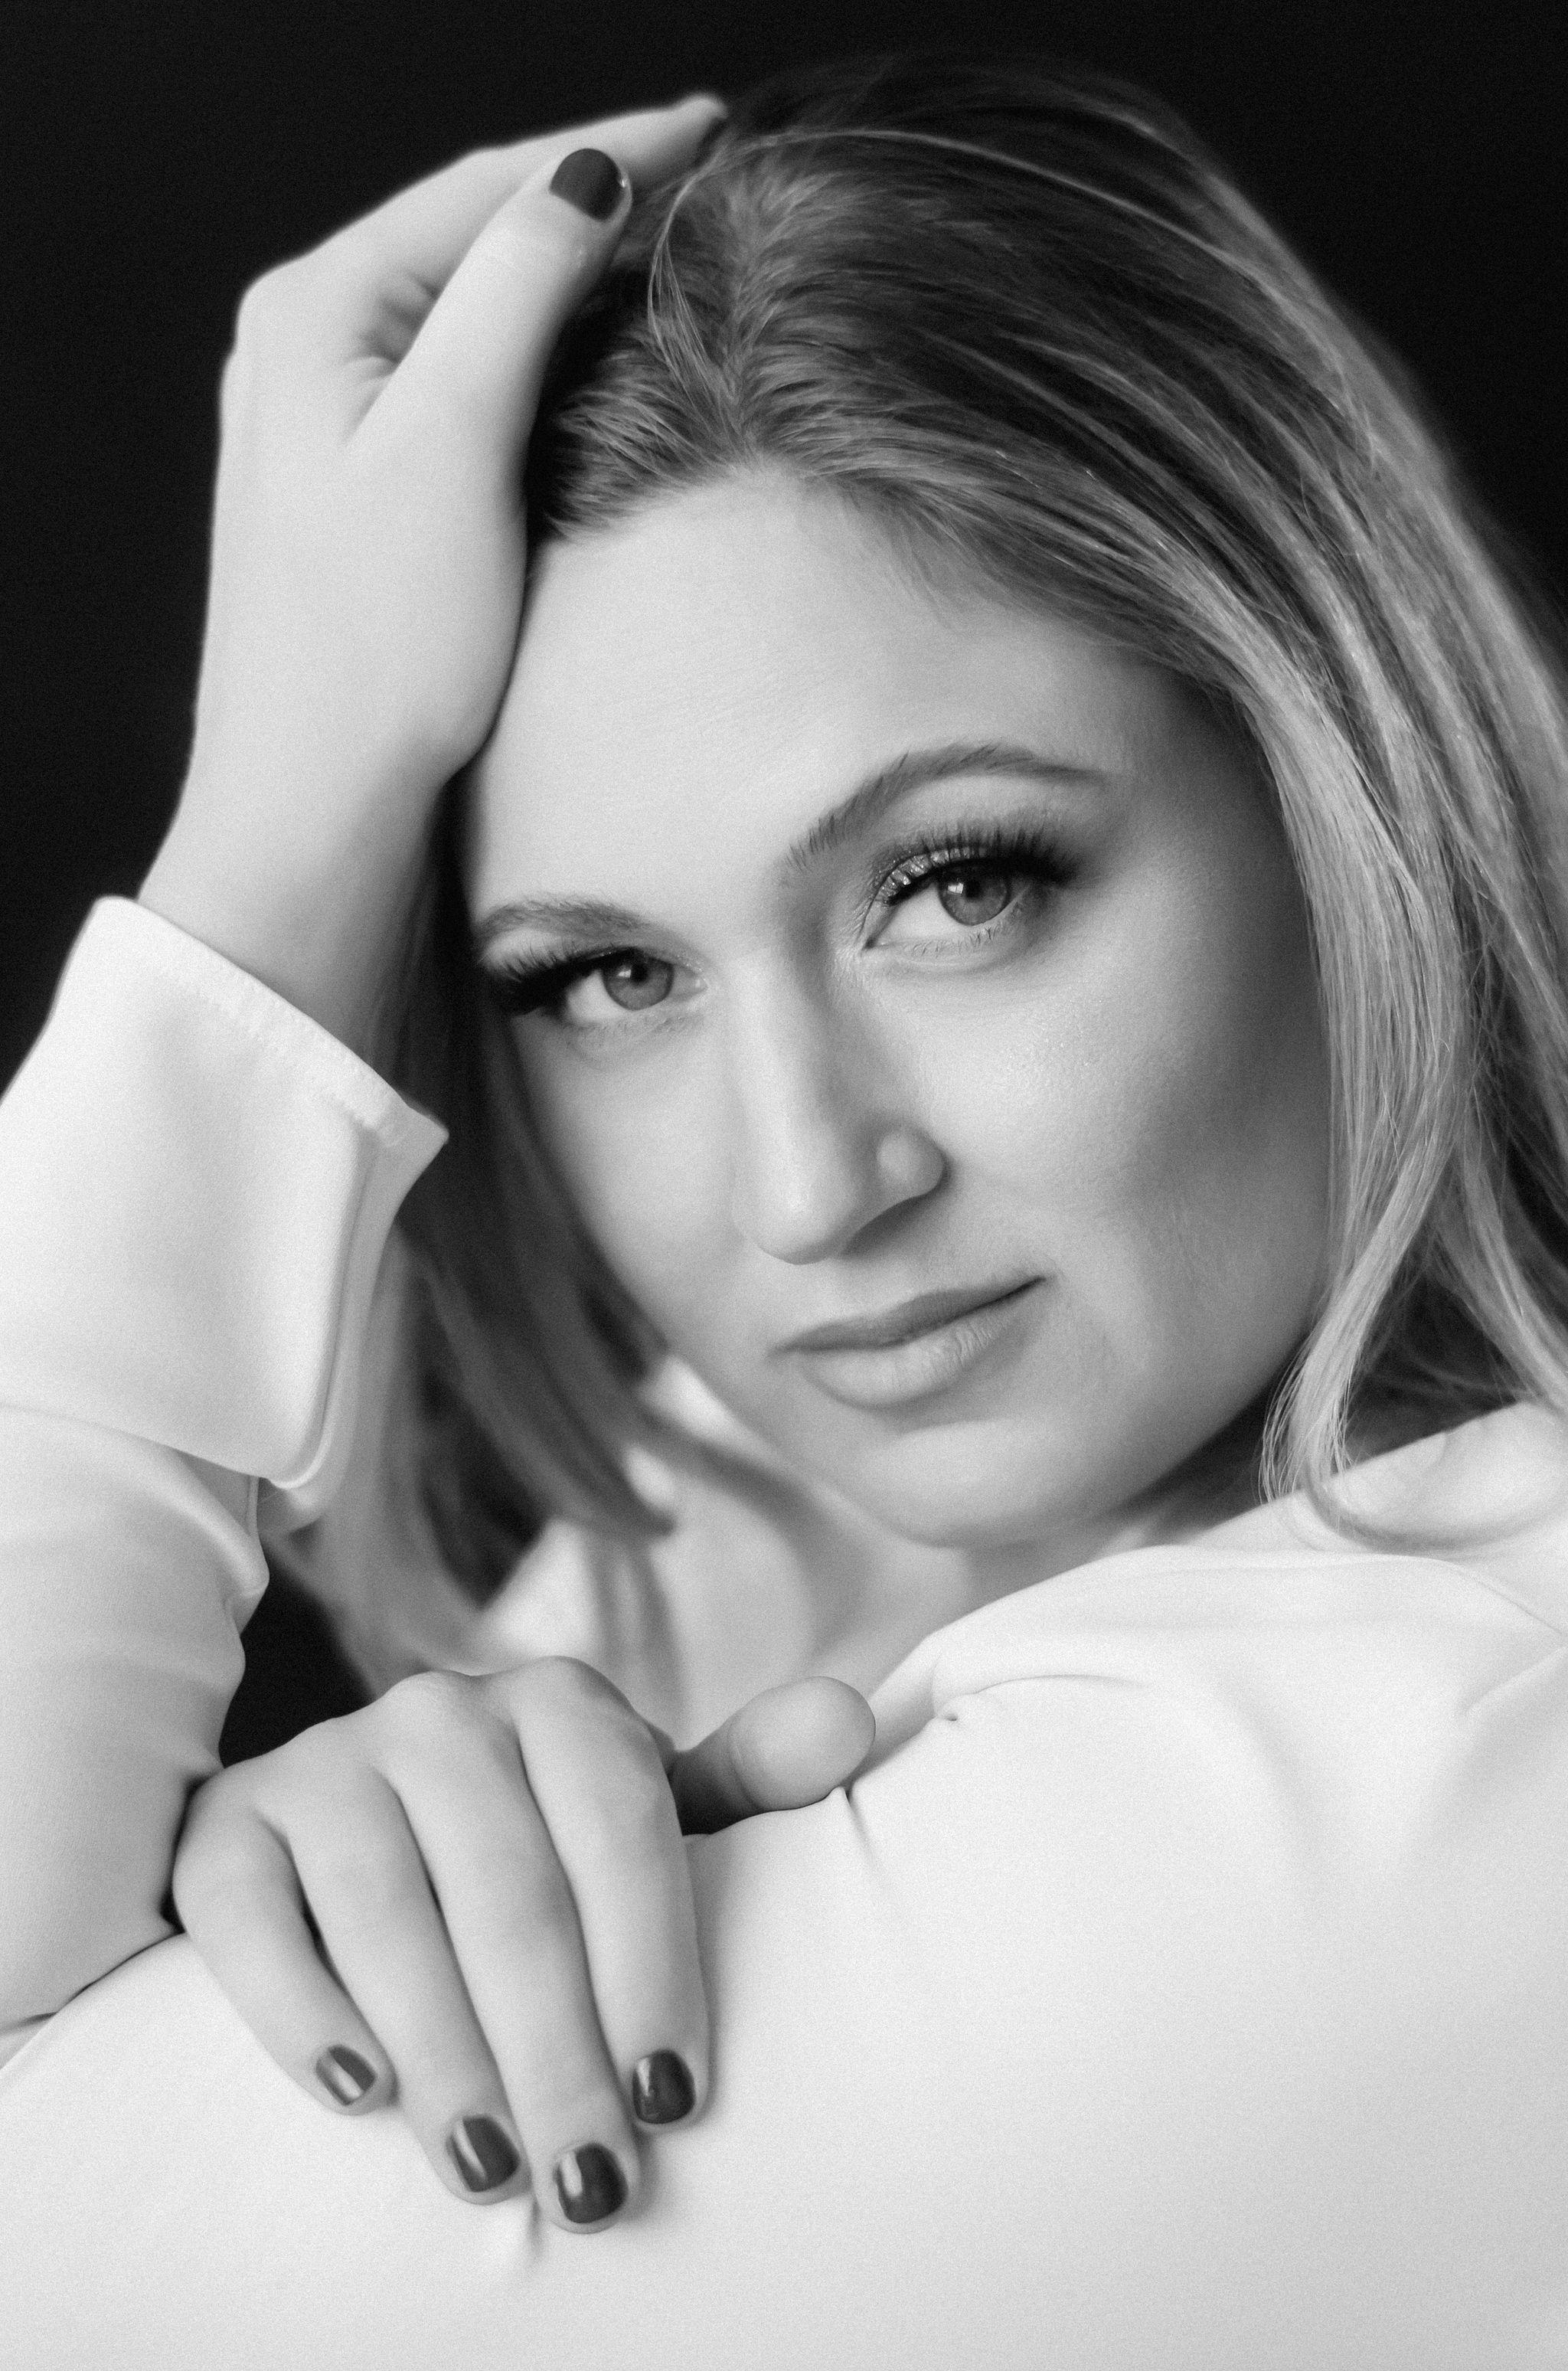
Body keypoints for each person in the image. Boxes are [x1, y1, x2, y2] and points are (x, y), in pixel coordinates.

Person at [2, 47, 1568, 2368]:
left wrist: (261, 866)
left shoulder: (1456, 1766)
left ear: (1346, 784)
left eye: (959, 884)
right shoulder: (714, 1550)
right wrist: (359, 1884)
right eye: (611, 978)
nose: (813, 1187)